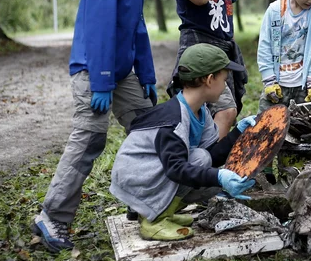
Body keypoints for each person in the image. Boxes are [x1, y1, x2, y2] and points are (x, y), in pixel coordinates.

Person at [32, 0, 180, 252]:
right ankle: (52, 216)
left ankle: (146, 204)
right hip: (92, 70)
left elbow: (137, 26)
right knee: (89, 140)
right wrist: (100, 82)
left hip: (122, 71)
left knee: (150, 129)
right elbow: (98, 31)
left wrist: (145, 72)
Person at [110, 44, 257, 241]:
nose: (225, 86)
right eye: (224, 80)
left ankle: (163, 212)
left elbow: (211, 157)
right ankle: (152, 221)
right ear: (209, 79)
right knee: (199, 164)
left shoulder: (200, 111)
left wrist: (238, 133)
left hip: (154, 172)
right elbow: (176, 169)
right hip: (136, 176)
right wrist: (220, 177)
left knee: (202, 159)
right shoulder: (175, 119)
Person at [167, 0, 247, 140]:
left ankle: (207, 158)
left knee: (226, 107)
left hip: (222, 49)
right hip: (198, 47)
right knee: (220, 110)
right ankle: (208, 165)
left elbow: (227, 7)